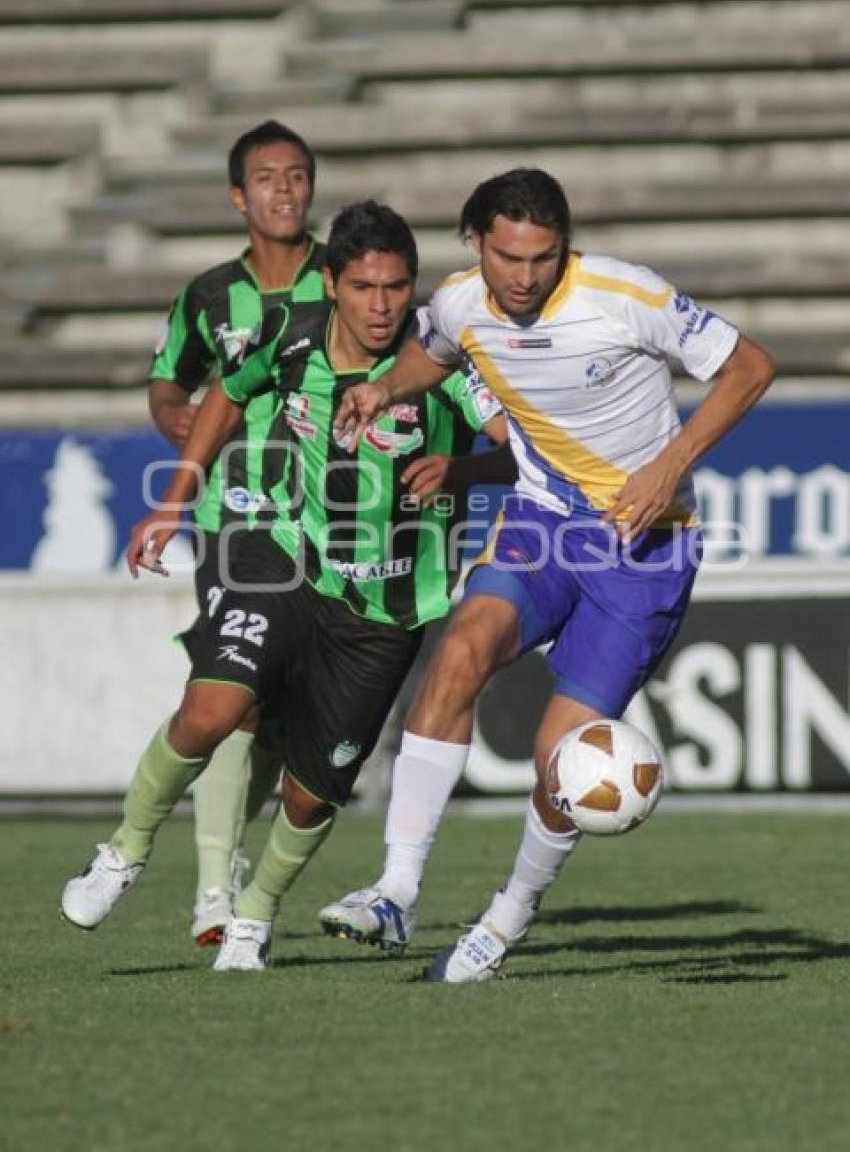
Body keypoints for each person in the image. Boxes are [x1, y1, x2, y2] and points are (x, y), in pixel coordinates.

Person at [323, 167, 775, 982]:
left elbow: (749, 367)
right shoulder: (463, 303)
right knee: (462, 646)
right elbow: (430, 354)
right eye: (508, 258)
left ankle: (505, 918)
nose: (525, 277)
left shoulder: (622, 294)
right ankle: (395, 889)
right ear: (477, 244)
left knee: (556, 756)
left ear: (564, 246)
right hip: (543, 522)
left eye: (542, 257)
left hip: (645, 546)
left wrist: (669, 465)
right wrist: (379, 390)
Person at [60, 201, 513, 971]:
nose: (382, 306)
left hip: (388, 607)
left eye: (397, 287)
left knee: (311, 794)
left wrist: (463, 469)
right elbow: (228, 395)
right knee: (211, 710)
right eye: (365, 286)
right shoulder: (289, 335)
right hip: (286, 559)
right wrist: (172, 504)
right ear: (331, 282)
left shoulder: (443, 361)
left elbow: (523, 451)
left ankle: (255, 914)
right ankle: (124, 849)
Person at [149, 118, 325, 946]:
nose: (283, 190)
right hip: (236, 519)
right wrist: (176, 421)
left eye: (295, 176)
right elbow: (168, 384)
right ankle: (213, 888)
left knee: (292, 718)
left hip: (335, 524)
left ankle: (231, 859)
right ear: (236, 195)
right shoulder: (209, 295)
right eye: (266, 177)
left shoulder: (353, 277)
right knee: (240, 696)